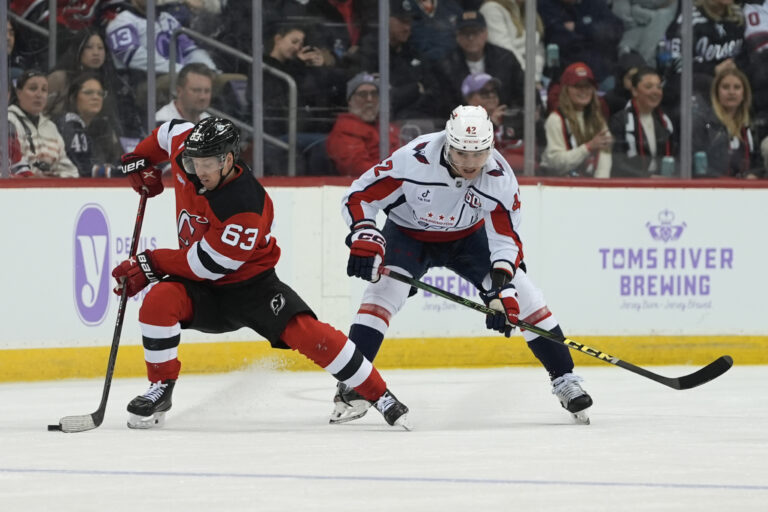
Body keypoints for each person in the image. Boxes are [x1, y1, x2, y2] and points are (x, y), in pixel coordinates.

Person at [112, 117, 410, 429]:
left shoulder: (244, 203)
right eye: (193, 162)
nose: (199, 171)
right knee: (158, 301)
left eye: (208, 164)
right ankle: (160, 388)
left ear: (228, 160)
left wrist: (149, 263)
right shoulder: (187, 147)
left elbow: (210, 264)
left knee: (308, 333)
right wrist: (140, 160)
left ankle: (380, 394)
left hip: (252, 288)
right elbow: (168, 132)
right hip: (202, 291)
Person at [329, 105, 593, 426]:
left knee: (524, 297)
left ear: (491, 148)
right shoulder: (413, 160)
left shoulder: (499, 177)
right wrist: (366, 232)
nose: (470, 164)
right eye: (461, 154)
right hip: (409, 236)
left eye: (479, 154)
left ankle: (564, 378)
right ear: (447, 142)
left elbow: (506, 238)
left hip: (468, 239)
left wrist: (500, 288)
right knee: (381, 295)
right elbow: (360, 195)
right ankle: (353, 386)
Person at [433, 10, 525, 118]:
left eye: (475, 32)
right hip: (463, 126)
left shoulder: (506, 58)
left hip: (504, 120)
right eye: (465, 33)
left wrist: (507, 114)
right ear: (457, 37)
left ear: (485, 33)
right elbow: (444, 105)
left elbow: (523, 93)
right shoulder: (445, 66)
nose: (471, 38)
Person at [540, 62, 613, 177]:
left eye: (588, 86)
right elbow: (555, 163)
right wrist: (588, 147)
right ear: (566, 90)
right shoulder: (556, 120)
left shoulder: (598, 120)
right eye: (578, 86)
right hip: (559, 186)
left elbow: (605, 156)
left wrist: (600, 185)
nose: (583, 91)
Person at [692, 68, 763, 178]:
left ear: (744, 94)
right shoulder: (702, 123)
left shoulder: (749, 126)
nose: (731, 92)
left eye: (737, 87)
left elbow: (759, 164)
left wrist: (752, 174)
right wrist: (725, 182)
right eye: (725, 87)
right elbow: (694, 164)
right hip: (711, 189)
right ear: (716, 92)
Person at [326, 72, 400, 177]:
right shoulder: (345, 130)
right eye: (362, 94)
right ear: (350, 101)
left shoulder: (388, 127)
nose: (369, 99)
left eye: (374, 94)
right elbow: (359, 170)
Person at [8, 69, 79, 178]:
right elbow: (9, 165)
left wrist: (58, 177)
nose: (39, 95)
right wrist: (35, 177)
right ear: (19, 93)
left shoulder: (50, 127)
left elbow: (70, 170)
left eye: (44, 90)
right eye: (33, 88)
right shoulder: (7, 121)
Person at [610, 67, 676, 178]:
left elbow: (676, 157)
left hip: (663, 187)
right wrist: (648, 178)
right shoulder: (619, 121)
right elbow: (617, 164)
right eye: (648, 87)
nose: (656, 92)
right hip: (630, 188)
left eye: (659, 87)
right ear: (634, 91)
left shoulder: (666, 122)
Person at [55, 73, 123, 177]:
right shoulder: (70, 124)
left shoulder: (102, 126)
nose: (96, 97)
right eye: (88, 92)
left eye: (100, 93)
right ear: (73, 97)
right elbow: (82, 168)